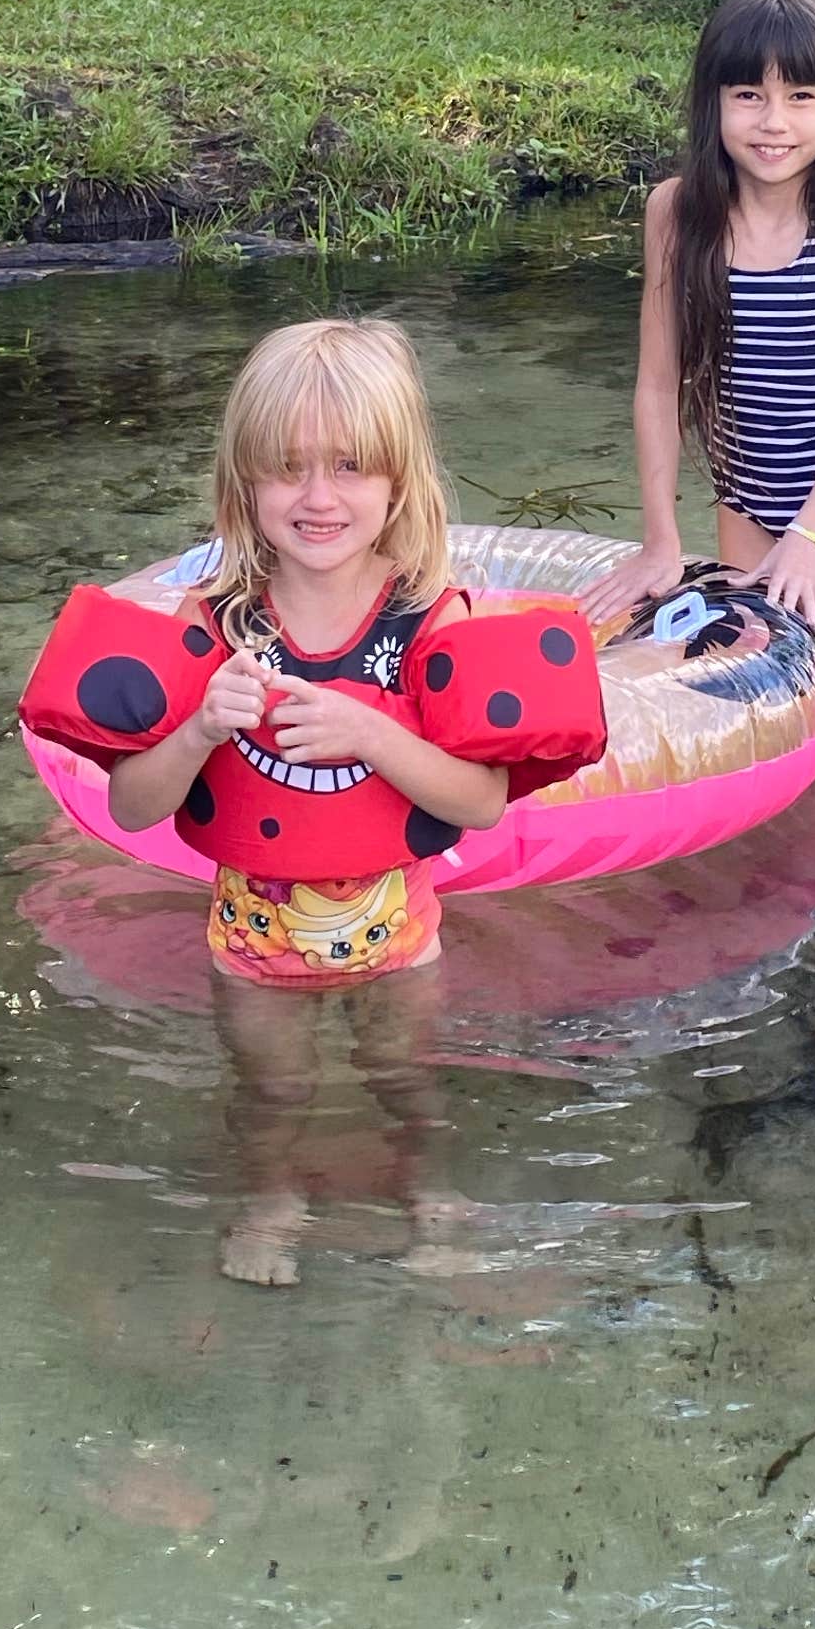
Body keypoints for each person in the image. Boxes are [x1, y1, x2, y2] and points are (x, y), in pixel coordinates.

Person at [100, 317, 513, 1285]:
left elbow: (482, 805)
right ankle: (271, 1195)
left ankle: (427, 1189)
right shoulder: (213, 623)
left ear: (398, 483)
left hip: (400, 934)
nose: (319, 497)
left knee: (406, 1081)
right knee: (272, 1090)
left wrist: (375, 732)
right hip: (251, 943)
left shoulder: (429, 621)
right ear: (245, 482)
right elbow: (131, 808)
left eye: (350, 469)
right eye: (287, 470)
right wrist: (199, 727)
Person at [592, 0, 815, 708]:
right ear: (713, 104)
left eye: (801, 97)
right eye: (748, 96)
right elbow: (656, 384)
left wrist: (811, 533)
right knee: (760, 705)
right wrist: (661, 540)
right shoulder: (677, 212)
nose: (774, 122)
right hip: (746, 497)